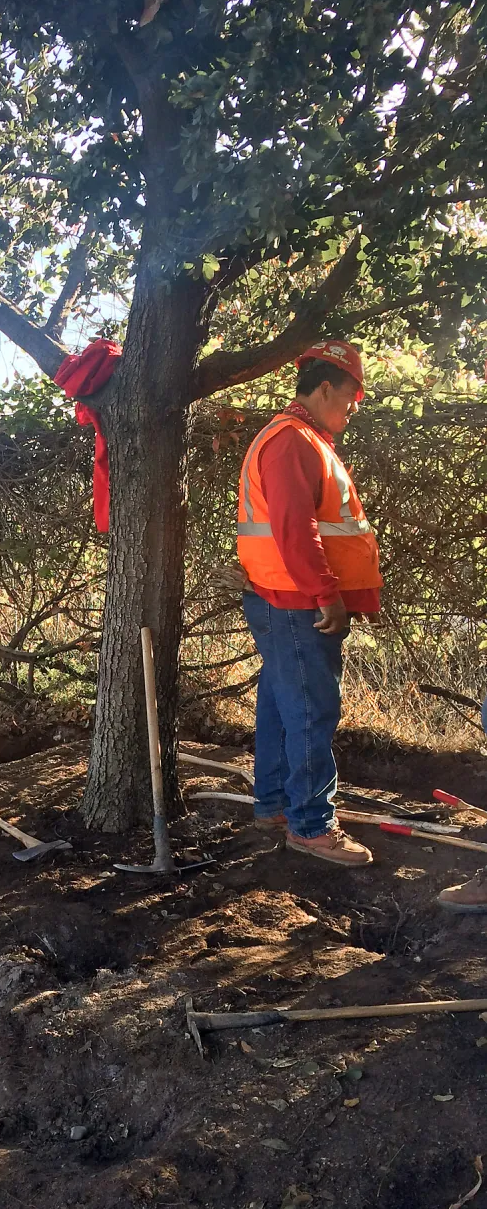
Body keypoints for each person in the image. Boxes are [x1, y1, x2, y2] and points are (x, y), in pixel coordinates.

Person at [236, 340, 382, 867]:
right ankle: (312, 824)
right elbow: (296, 531)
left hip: (283, 599)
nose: (355, 405)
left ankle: (276, 804)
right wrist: (328, 595)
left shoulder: (297, 439)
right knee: (311, 710)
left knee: (281, 701)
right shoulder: (292, 441)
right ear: (325, 388)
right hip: (300, 604)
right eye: (351, 393)